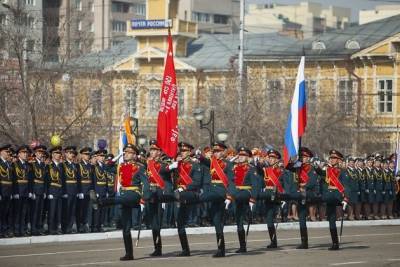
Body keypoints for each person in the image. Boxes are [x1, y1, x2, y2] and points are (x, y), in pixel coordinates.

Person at [91, 144, 149, 261]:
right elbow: (105, 167)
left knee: (119, 199)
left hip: (134, 194)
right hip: (124, 195)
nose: (125, 154)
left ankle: (100, 202)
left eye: (128, 152)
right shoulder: (120, 166)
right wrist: (117, 157)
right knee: (125, 227)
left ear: (134, 155)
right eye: (125, 152)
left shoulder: (140, 167)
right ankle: (129, 254)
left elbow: (146, 185)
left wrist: (144, 199)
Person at [198, 142, 234, 257]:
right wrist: (199, 155)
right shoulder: (212, 162)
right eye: (214, 152)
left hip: (221, 192)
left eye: (218, 151)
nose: (216, 154)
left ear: (223, 151)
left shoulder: (228, 165)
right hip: (213, 193)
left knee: (202, 198)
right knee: (217, 222)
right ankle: (221, 249)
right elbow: (204, 161)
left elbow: (232, 182)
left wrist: (229, 196)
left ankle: (195, 197)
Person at [172, 142, 205, 256]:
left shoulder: (195, 165)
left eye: (185, 151)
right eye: (181, 151)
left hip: (191, 194)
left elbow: (197, 182)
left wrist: (184, 188)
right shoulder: (177, 164)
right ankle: (185, 249)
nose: (182, 152)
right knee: (179, 222)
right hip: (179, 195)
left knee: (186, 219)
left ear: (190, 152)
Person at [257, 149, 291, 249]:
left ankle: (274, 241)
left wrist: (284, 199)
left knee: (270, 218)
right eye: (270, 157)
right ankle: (273, 241)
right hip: (267, 196)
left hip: (277, 197)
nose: (271, 159)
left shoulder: (281, 171)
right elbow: (259, 170)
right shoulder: (266, 169)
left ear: (277, 159)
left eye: (273, 158)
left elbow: (286, 186)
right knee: (268, 220)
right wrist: (259, 163)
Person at [146, 139, 174, 257]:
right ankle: (157, 248)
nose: (152, 152)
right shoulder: (147, 163)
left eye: (154, 150)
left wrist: (172, 164)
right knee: (153, 222)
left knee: (158, 222)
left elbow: (166, 170)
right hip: (150, 194)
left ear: (159, 152)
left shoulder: (164, 163)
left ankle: (158, 248)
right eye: (151, 149)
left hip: (160, 194)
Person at [287, 147, 319, 249]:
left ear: (308, 158)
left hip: (308, 194)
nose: (302, 158)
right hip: (300, 195)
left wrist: (303, 187)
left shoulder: (312, 168)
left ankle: (305, 242)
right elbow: (288, 167)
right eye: (301, 156)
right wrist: (292, 159)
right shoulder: (298, 167)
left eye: (304, 157)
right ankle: (304, 242)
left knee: (304, 217)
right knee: (301, 219)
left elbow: (312, 182)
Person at [318, 150, 350, 250]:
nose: (331, 160)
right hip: (329, 196)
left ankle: (335, 243)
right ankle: (335, 243)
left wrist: (345, 198)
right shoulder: (327, 170)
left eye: (334, 158)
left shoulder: (343, 171)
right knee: (331, 220)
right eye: (331, 158)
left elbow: (347, 186)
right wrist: (316, 167)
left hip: (338, 196)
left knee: (337, 216)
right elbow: (320, 173)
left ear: (339, 160)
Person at [230, 146, 260, 253]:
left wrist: (253, 199)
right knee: (239, 220)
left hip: (246, 193)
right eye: (240, 155)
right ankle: (242, 246)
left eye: (244, 155)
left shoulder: (251, 168)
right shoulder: (233, 167)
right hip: (235, 195)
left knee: (239, 199)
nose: (241, 157)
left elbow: (255, 185)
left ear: (248, 157)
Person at [12, 145, 33, 236]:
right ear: (18, 154)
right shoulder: (14, 165)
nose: (25, 154)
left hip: (25, 192)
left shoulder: (28, 165)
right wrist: (15, 192)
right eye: (23, 153)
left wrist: (30, 191)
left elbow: (30, 180)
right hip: (18, 191)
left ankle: (22, 229)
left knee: (24, 212)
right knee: (17, 212)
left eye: (26, 153)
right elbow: (13, 180)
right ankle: (16, 230)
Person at [62, 146, 81, 234]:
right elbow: (62, 180)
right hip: (67, 190)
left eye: (73, 153)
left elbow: (77, 179)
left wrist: (78, 191)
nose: (72, 155)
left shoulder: (75, 165)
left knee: (72, 210)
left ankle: (69, 227)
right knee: (66, 210)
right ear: (65, 154)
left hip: (74, 190)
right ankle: (64, 228)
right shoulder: (63, 165)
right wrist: (64, 191)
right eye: (70, 153)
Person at [46, 146, 64, 235]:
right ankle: (50, 229)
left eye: (59, 153)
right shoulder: (49, 166)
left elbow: (63, 180)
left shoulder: (61, 166)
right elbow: (47, 180)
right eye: (56, 153)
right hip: (52, 191)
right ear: (52, 155)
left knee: (58, 211)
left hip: (59, 191)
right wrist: (48, 192)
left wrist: (63, 192)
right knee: (52, 211)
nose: (58, 155)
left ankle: (57, 228)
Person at [30, 145, 47, 235]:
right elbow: (31, 179)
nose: (40, 154)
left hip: (41, 190)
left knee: (40, 211)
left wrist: (44, 191)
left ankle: (38, 228)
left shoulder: (43, 165)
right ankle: (33, 229)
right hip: (35, 190)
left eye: (42, 153)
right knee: (35, 211)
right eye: (39, 153)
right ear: (35, 153)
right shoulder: (32, 164)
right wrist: (32, 191)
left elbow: (44, 180)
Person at [77, 147, 93, 233]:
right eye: (86, 154)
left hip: (89, 190)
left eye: (88, 154)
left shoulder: (90, 166)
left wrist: (92, 190)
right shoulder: (79, 165)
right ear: (82, 155)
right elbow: (78, 179)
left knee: (88, 209)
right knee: (81, 209)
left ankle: (86, 224)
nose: (87, 156)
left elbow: (92, 179)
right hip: (82, 189)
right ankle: (80, 225)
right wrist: (79, 191)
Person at [0, 144, 13, 238]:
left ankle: (5, 230)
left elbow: (10, 180)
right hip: (2, 191)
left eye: (8, 152)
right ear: (1, 152)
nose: (8, 154)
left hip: (8, 191)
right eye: (6, 152)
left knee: (6, 212)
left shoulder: (8, 164)